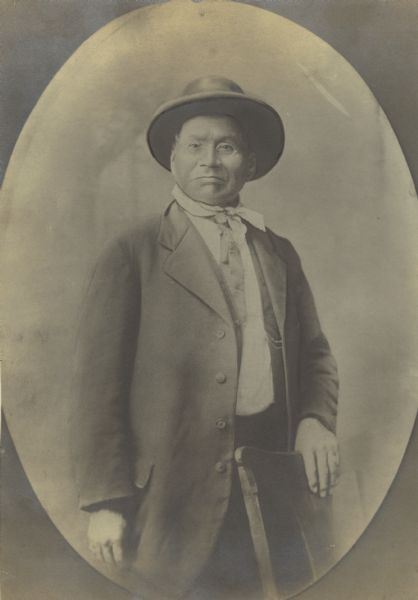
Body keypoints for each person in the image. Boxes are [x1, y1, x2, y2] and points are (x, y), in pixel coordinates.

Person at [72, 76, 339, 600]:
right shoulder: (134, 251)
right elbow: (95, 390)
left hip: (271, 486)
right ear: (172, 160)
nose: (210, 161)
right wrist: (105, 501)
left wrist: (315, 420)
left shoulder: (278, 252)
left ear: (251, 164)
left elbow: (316, 356)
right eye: (195, 146)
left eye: (227, 147)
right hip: (172, 497)